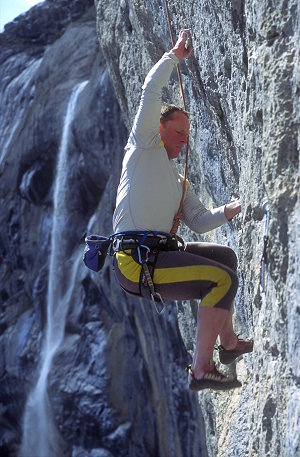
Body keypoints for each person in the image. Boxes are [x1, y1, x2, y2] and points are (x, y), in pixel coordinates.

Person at [112, 29, 253, 391]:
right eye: (178, 132)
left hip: (153, 256)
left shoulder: (179, 183)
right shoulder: (142, 146)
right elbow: (150, 92)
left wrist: (230, 209)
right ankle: (202, 369)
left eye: (187, 135)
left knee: (225, 258)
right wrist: (173, 56)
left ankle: (230, 345)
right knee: (223, 280)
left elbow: (201, 222)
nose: (183, 140)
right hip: (134, 261)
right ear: (158, 129)